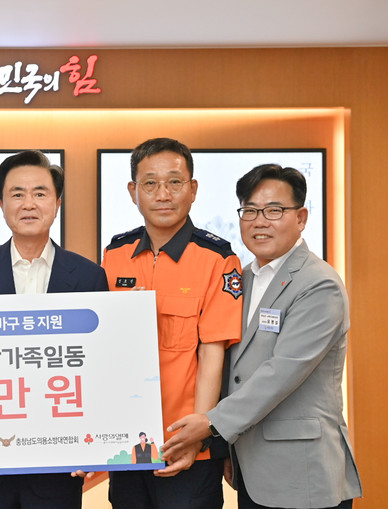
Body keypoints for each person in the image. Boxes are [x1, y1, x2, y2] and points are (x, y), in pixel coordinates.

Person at [160, 164, 362, 509]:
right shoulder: (242, 279)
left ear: (301, 218)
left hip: (303, 472)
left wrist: (211, 423)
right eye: (250, 211)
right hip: (251, 468)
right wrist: (224, 446)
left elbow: (281, 372)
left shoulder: (318, 284)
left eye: (274, 210)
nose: (259, 221)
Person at [0, 150, 109, 509]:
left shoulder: (88, 276)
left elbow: (99, 367)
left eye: (40, 193)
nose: (29, 204)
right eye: (17, 194)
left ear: (57, 203)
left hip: (60, 463)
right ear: (2, 204)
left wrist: (93, 444)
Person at [101, 137, 243, 508]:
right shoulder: (114, 255)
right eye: (150, 183)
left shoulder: (217, 260)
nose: (163, 194)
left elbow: (212, 354)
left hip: (186, 444)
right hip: (128, 444)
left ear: (192, 189)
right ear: (133, 191)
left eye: (174, 182)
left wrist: (198, 435)